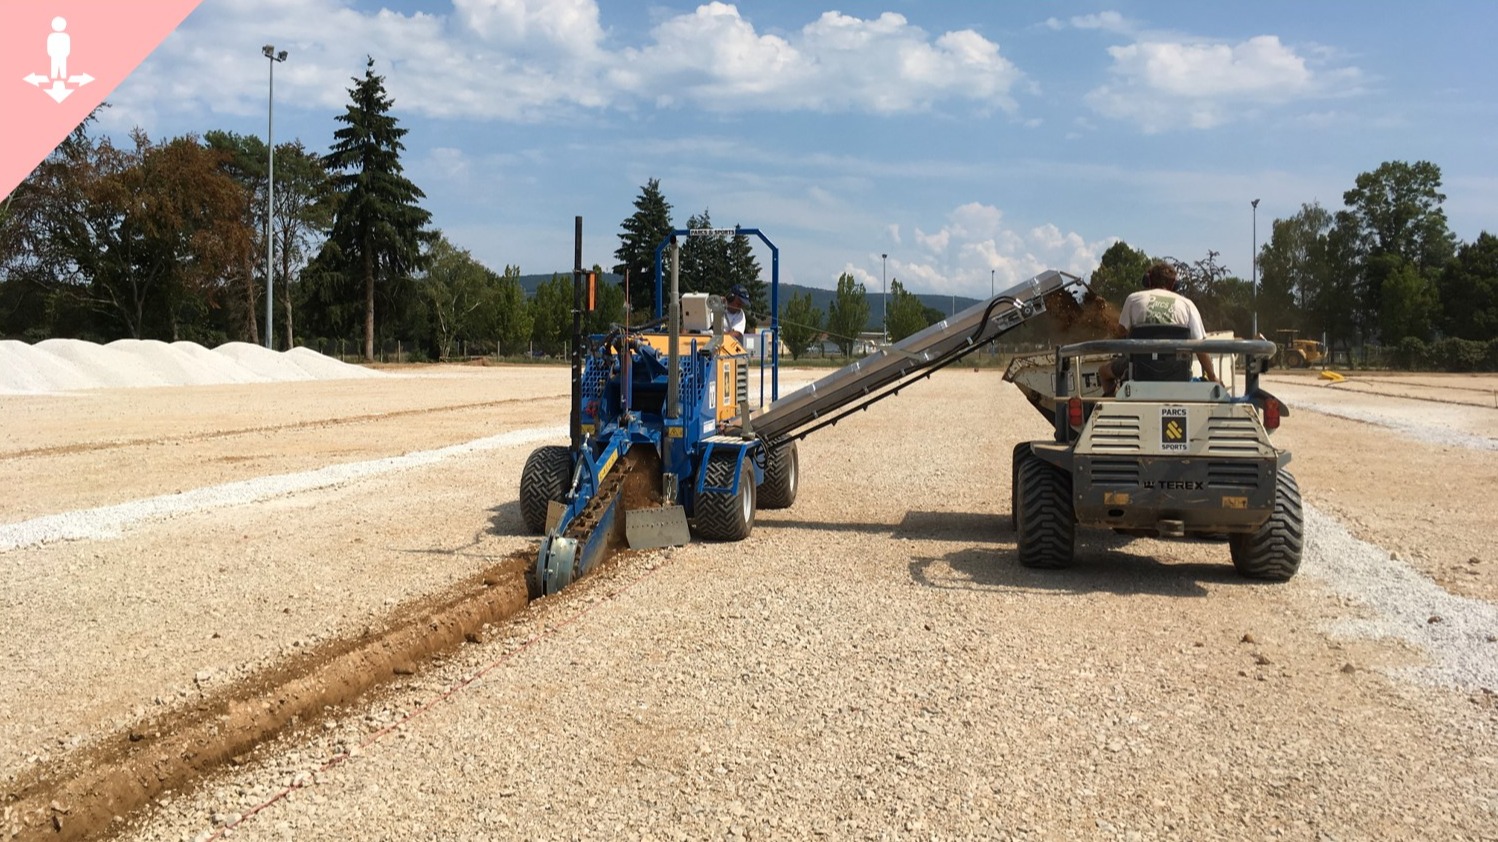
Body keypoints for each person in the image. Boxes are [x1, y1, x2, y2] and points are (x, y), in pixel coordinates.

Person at [1097, 262, 1218, 397]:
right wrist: (1214, 378)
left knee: (1103, 371)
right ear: (1174, 285)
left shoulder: (1133, 299)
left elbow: (1121, 331)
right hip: (1178, 375)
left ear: (1147, 281)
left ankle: (1113, 402)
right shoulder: (1187, 305)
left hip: (1138, 372)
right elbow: (1200, 347)